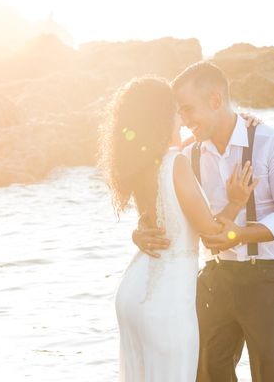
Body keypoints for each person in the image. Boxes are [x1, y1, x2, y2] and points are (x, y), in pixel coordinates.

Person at [132, 62, 274, 382]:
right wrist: (140, 231)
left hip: (267, 278)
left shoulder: (272, 143)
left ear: (214, 100)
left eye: (188, 110)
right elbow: (163, 204)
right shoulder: (188, 154)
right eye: (179, 113)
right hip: (214, 279)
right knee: (207, 373)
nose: (183, 122)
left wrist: (240, 235)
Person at [98, 76, 257, 381]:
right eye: (176, 111)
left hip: (133, 292)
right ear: (161, 116)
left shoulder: (143, 166)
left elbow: (160, 222)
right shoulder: (175, 164)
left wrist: (239, 121)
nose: (182, 119)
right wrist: (236, 203)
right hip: (165, 300)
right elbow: (212, 236)